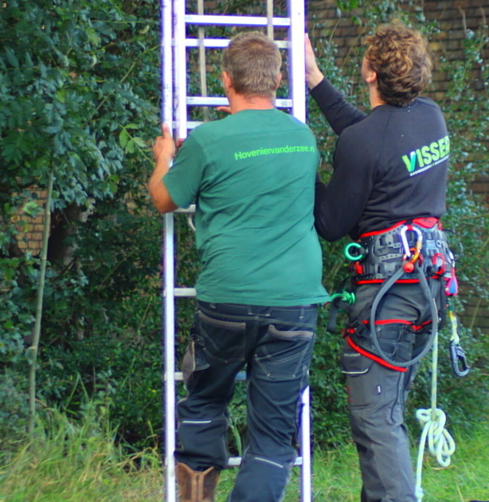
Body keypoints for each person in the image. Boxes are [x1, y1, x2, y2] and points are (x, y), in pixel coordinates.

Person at [148, 32, 328, 502]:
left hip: (226, 297)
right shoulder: (303, 137)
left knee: (205, 402)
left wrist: (165, 158)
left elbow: (165, 199)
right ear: (278, 80)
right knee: (273, 435)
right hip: (294, 299)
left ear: (226, 80)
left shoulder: (207, 141)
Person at [305, 25, 454, 502]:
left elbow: (330, 223)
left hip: (388, 295)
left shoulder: (367, 141)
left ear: (370, 71)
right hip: (427, 288)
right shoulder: (430, 117)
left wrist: (298, 163)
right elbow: (370, 137)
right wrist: (315, 80)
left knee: (375, 420)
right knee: (384, 415)